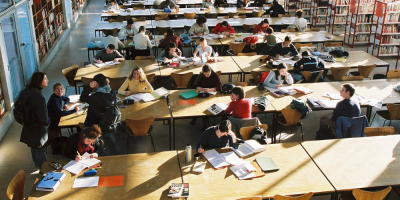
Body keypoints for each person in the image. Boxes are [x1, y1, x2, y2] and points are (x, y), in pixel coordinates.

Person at [80, 73, 121, 155]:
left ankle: (103, 157)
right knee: (112, 142)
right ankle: (117, 156)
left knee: (100, 144)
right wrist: (107, 84)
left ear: (96, 84)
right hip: (108, 122)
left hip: (97, 124)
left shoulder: (95, 97)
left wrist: (89, 87)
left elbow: (82, 97)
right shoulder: (112, 92)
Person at [19, 72, 50, 170]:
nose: (47, 80)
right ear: (39, 81)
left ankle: (37, 165)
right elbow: (43, 117)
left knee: (34, 146)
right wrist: (48, 123)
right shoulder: (39, 97)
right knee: (41, 150)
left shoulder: (26, 92)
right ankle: (43, 169)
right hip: (38, 128)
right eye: (45, 79)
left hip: (29, 125)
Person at [195, 65, 222, 131]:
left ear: (211, 71)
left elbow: (219, 86)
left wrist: (210, 90)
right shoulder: (201, 75)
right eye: (205, 74)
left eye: (208, 74)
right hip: (203, 93)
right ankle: (205, 124)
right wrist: (199, 88)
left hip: (212, 94)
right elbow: (196, 85)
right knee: (204, 106)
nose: (206, 75)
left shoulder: (215, 75)